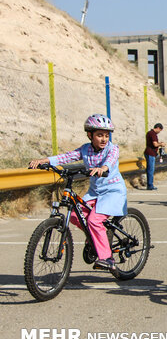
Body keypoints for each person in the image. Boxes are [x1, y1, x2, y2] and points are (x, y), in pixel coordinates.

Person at [28, 114, 127, 270]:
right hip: (95, 192)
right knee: (74, 215)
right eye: (99, 135)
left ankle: (107, 258)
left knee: (94, 220)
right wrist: (45, 161)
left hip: (113, 192)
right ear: (90, 135)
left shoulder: (112, 148)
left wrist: (103, 168)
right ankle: (96, 238)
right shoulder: (85, 149)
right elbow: (67, 157)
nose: (103, 139)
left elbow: (111, 159)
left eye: (106, 135)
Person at [144, 123, 165, 190]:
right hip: (150, 153)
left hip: (149, 152)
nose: (159, 132)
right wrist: (161, 144)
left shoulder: (149, 133)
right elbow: (155, 144)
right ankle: (150, 185)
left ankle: (149, 184)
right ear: (158, 128)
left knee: (149, 169)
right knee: (151, 169)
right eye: (160, 130)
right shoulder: (153, 134)